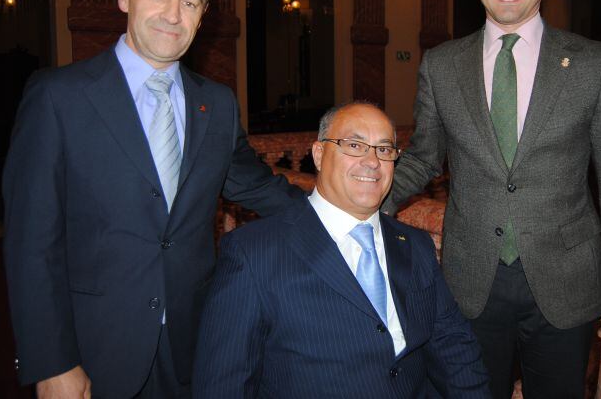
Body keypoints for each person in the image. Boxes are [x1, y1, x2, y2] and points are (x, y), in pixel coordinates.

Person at [2, 0, 303, 398]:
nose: (172, 16)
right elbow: (30, 243)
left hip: (191, 341)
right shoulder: (57, 97)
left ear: (204, 16)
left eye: (190, 2)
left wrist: (342, 213)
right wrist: (53, 361)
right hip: (94, 347)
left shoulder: (217, 104)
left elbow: (259, 187)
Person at [382, 0, 601, 399]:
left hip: (566, 283)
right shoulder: (441, 65)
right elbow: (422, 159)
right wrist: (362, 207)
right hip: (470, 281)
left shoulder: (592, 63)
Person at [193, 102, 491, 398]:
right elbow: (224, 384)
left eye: (384, 149)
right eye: (354, 145)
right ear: (319, 154)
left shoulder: (415, 244)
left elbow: (455, 348)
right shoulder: (253, 253)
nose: (372, 161)